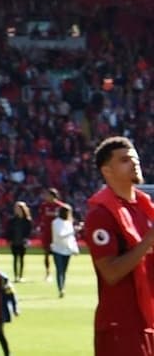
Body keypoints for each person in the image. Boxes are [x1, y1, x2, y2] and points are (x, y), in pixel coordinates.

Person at [84, 136, 154, 356]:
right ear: (107, 171)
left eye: (134, 157)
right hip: (121, 327)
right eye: (124, 160)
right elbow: (111, 273)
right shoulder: (101, 216)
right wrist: (148, 241)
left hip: (148, 320)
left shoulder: (144, 208)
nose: (134, 162)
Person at [50, 204, 79, 298]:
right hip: (58, 249)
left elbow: (71, 238)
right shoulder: (56, 222)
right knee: (59, 270)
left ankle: (62, 287)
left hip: (67, 250)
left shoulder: (68, 222)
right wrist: (73, 231)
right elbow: (60, 235)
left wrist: (75, 248)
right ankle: (61, 289)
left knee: (64, 270)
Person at [38, 187, 65, 282]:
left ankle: (60, 273)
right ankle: (48, 273)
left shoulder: (60, 206)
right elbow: (41, 218)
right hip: (47, 233)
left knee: (57, 254)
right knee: (46, 253)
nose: (45, 197)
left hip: (57, 234)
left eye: (47, 195)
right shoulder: (43, 206)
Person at [6, 200, 33, 282]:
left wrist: (27, 239)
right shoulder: (12, 220)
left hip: (22, 241)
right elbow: (9, 231)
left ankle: (21, 276)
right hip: (14, 241)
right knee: (15, 258)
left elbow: (29, 231)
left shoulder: (27, 220)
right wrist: (9, 239)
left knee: (21, 259)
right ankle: (15, 276)